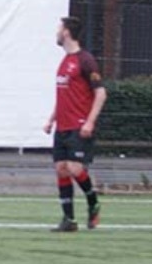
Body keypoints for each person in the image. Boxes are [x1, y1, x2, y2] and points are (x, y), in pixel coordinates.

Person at [44, 16, 107, 232]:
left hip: (79, 126)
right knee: (61, 169)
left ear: (67, 32)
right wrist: (51, 119)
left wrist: (89, 122)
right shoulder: (63, 61)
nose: (57, 32)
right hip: (62, 126)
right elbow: (64, 96)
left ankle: (93, 203)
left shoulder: (85, 59)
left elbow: (100, 93)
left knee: (74, 167)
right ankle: (69, 220)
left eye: (59, 28)